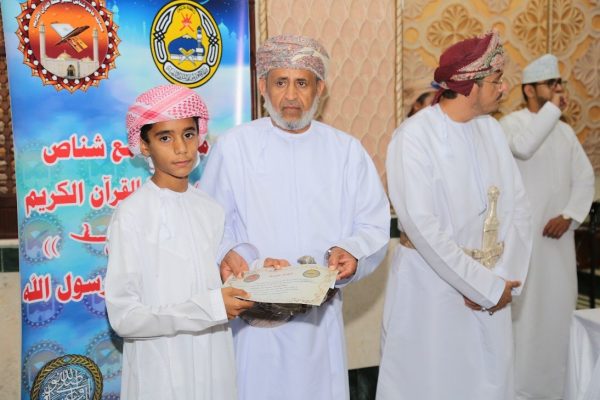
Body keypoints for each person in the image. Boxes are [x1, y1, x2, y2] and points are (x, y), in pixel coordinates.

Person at [200, 34, 390, 400]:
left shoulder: (345, 151)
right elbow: (210, 224)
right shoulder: (234, 147)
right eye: (280, 83)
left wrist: (351, 251)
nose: (290, 96)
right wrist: (229, 254)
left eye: (302, 83)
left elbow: (373, 224)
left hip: (319, 321)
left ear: (320, 89)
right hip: (254, 318)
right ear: (262, 87)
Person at [378, 31, 533, 400]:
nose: (504, 87)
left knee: (487, 383)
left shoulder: (492, 130)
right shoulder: (413, 137)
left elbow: (519, 208)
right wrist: (481, 286)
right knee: (432, 383)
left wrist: (503, 281)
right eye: (496, 80)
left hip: (493, 288)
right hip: (432, 292)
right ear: (468, 86)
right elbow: (421, 226)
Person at [105, 84, 254, 400]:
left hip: (214, 365)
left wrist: (264, 275)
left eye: (188, 134)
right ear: (144, 145)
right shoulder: (132, 214)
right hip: (161, 371)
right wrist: (209, 308)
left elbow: (219, 283)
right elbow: (124, 317)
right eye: (165, 138)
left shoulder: (211, 209)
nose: (181, 148)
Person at [499, 54, 595, 400]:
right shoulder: (510, 125)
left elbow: (584, 178)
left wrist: (568, 215)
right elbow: (525, 148)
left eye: (559, 83)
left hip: (558, 244)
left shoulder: (565, 132)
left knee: (557, 314)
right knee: (525, 320)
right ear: (529, 89)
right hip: (523, 244)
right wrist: (554, 109)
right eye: (550, 84)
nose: (558, 89)